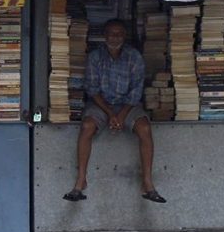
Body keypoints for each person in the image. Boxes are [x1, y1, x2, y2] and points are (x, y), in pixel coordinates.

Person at [64, 18, 165, 203]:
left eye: (119, 34)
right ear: (104, 36)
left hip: (128, 105)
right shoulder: (95, 57)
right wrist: (111, 114)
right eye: (111, 33)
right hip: (101, 105)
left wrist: (121, 116)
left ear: (124, 36)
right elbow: (92, 90)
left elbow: (135, 91)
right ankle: (80, 181)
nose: (115, 37)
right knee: (87, 126)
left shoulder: (134, 57)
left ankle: (147, 183)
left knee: (144, 129)